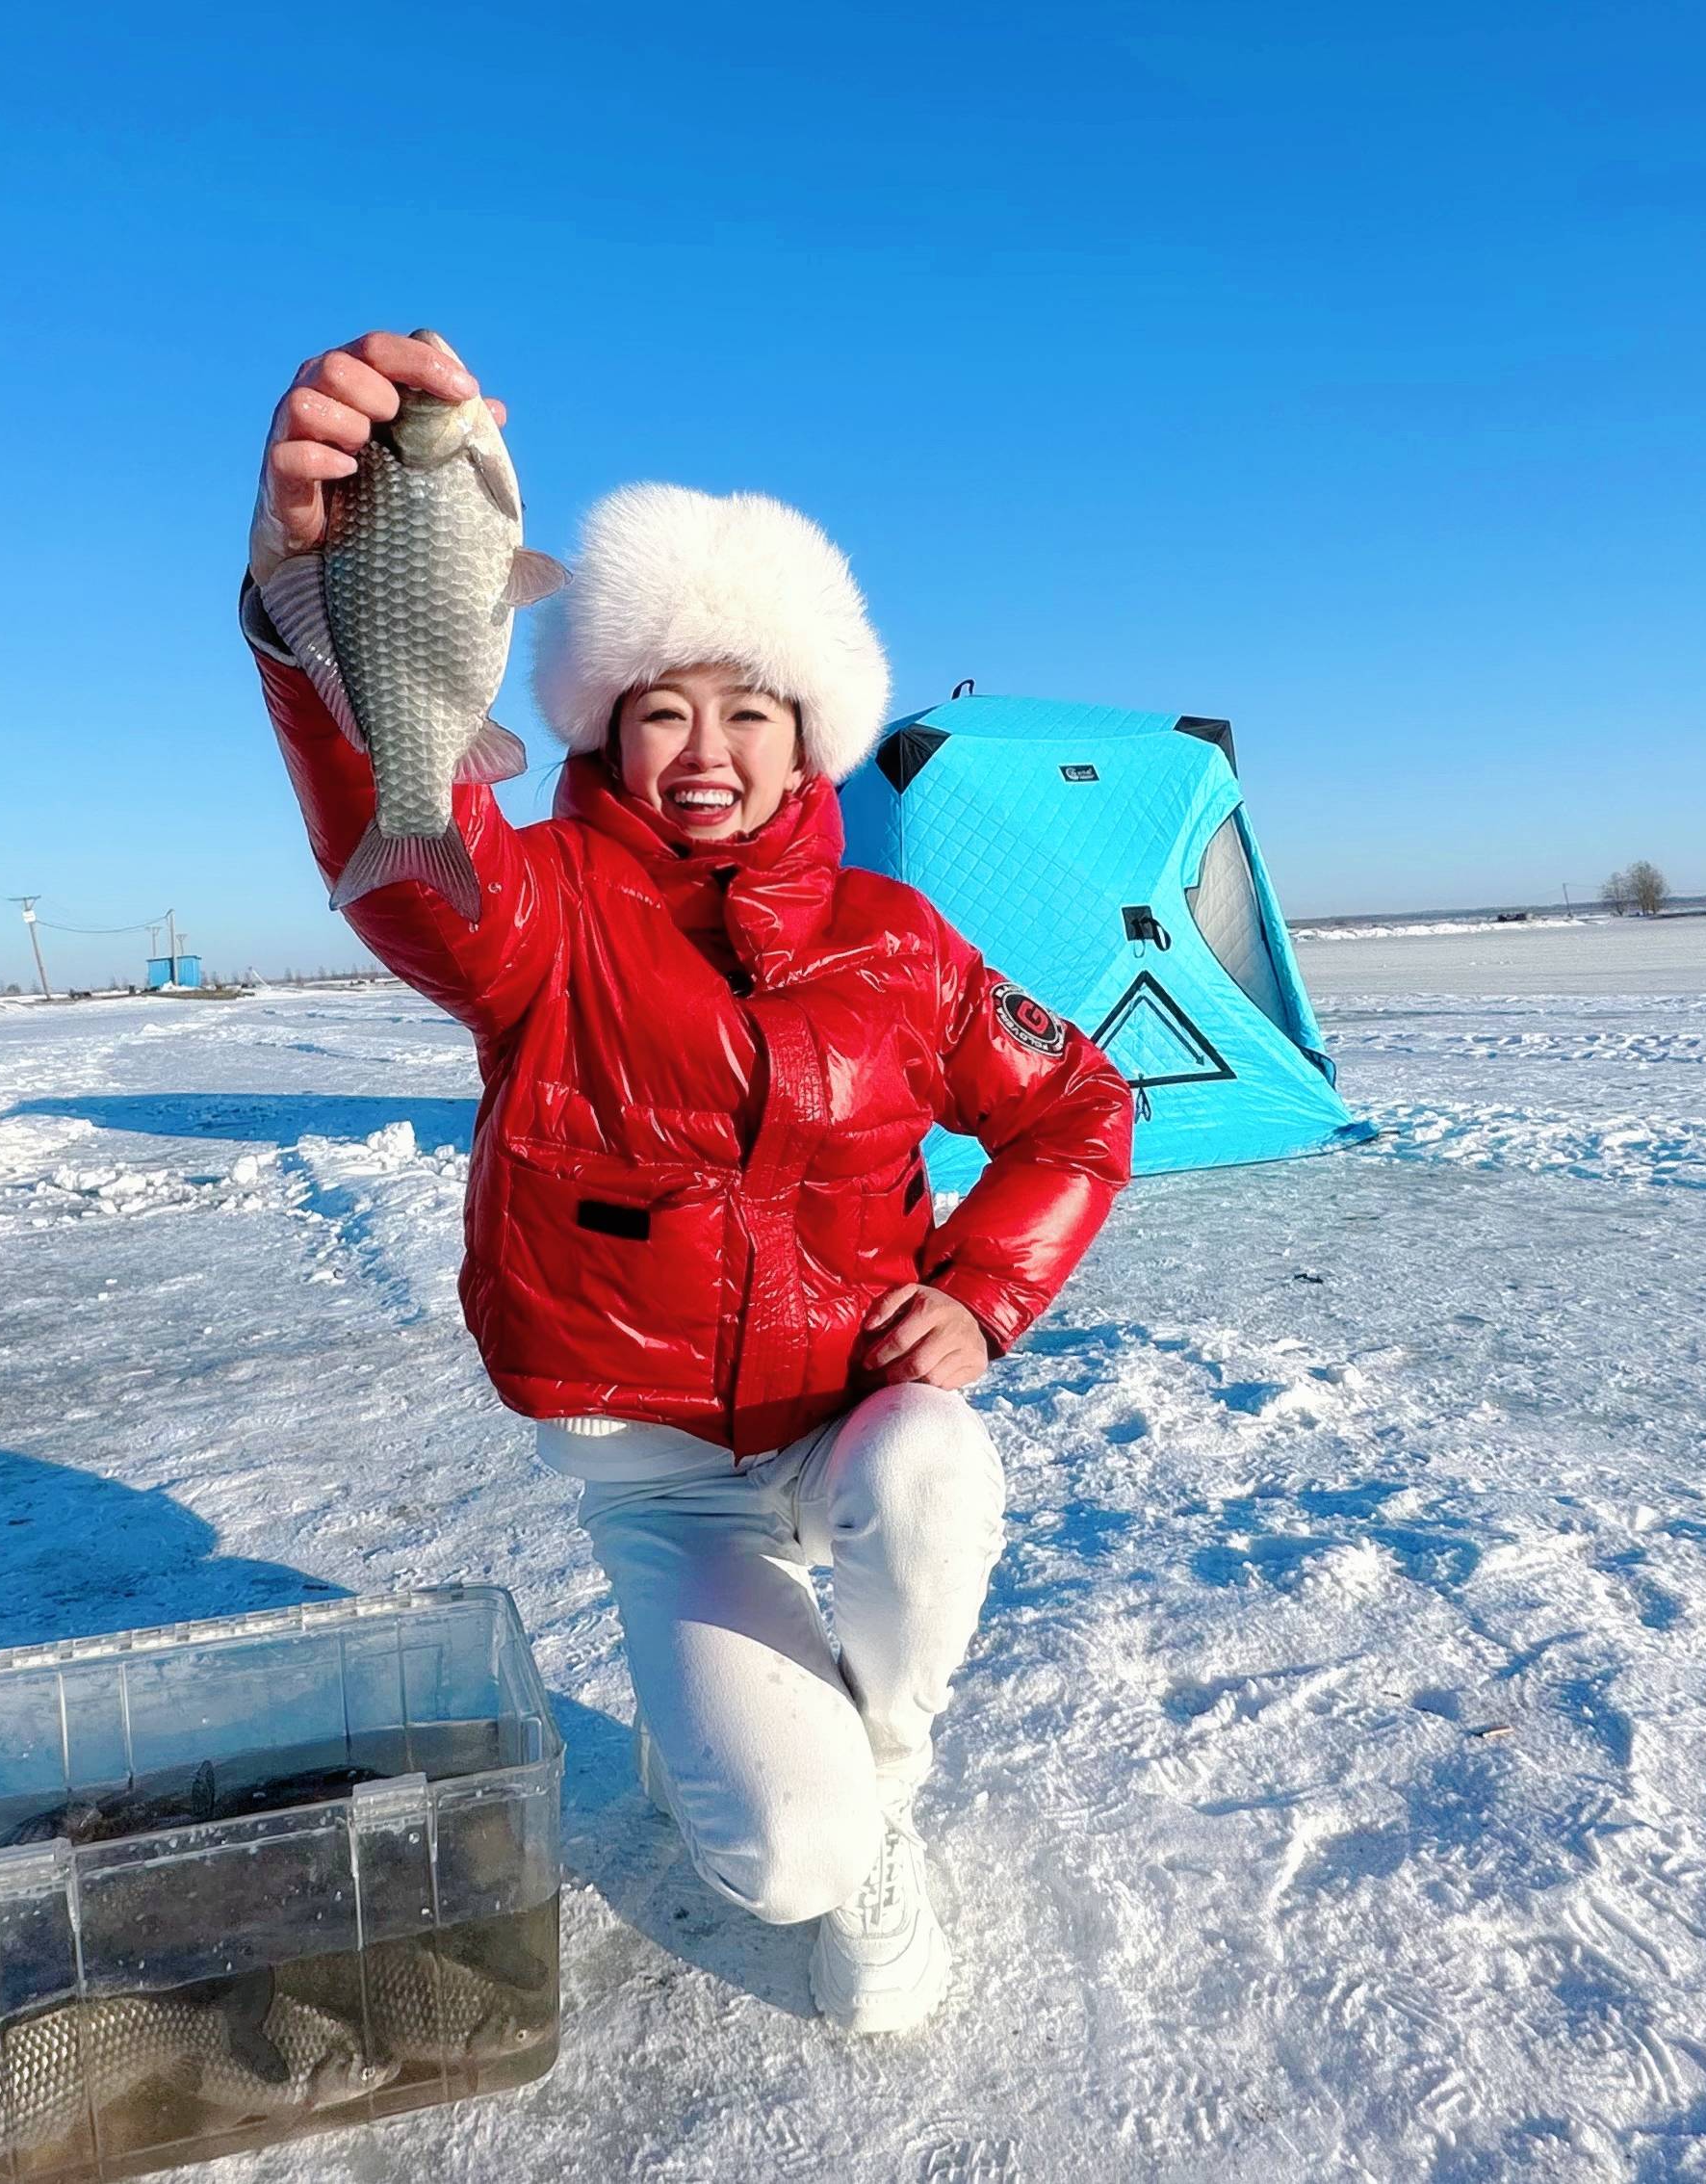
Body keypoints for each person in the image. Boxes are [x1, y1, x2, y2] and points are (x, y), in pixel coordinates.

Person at [242, 331, 1132, 2034]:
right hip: (670, 1482)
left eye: (748, 709)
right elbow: (400, 826)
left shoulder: (898, 941)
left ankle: (881, 1780)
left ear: (812, 740)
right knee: (783, 1863)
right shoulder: (539, 909)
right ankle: (818, 1816)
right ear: (603, 725)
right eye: (661, 709)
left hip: (854, 1420)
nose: (704, 747)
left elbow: (1082, 1110)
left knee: (940, 1467)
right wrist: (312, 594)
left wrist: (981, 1292)